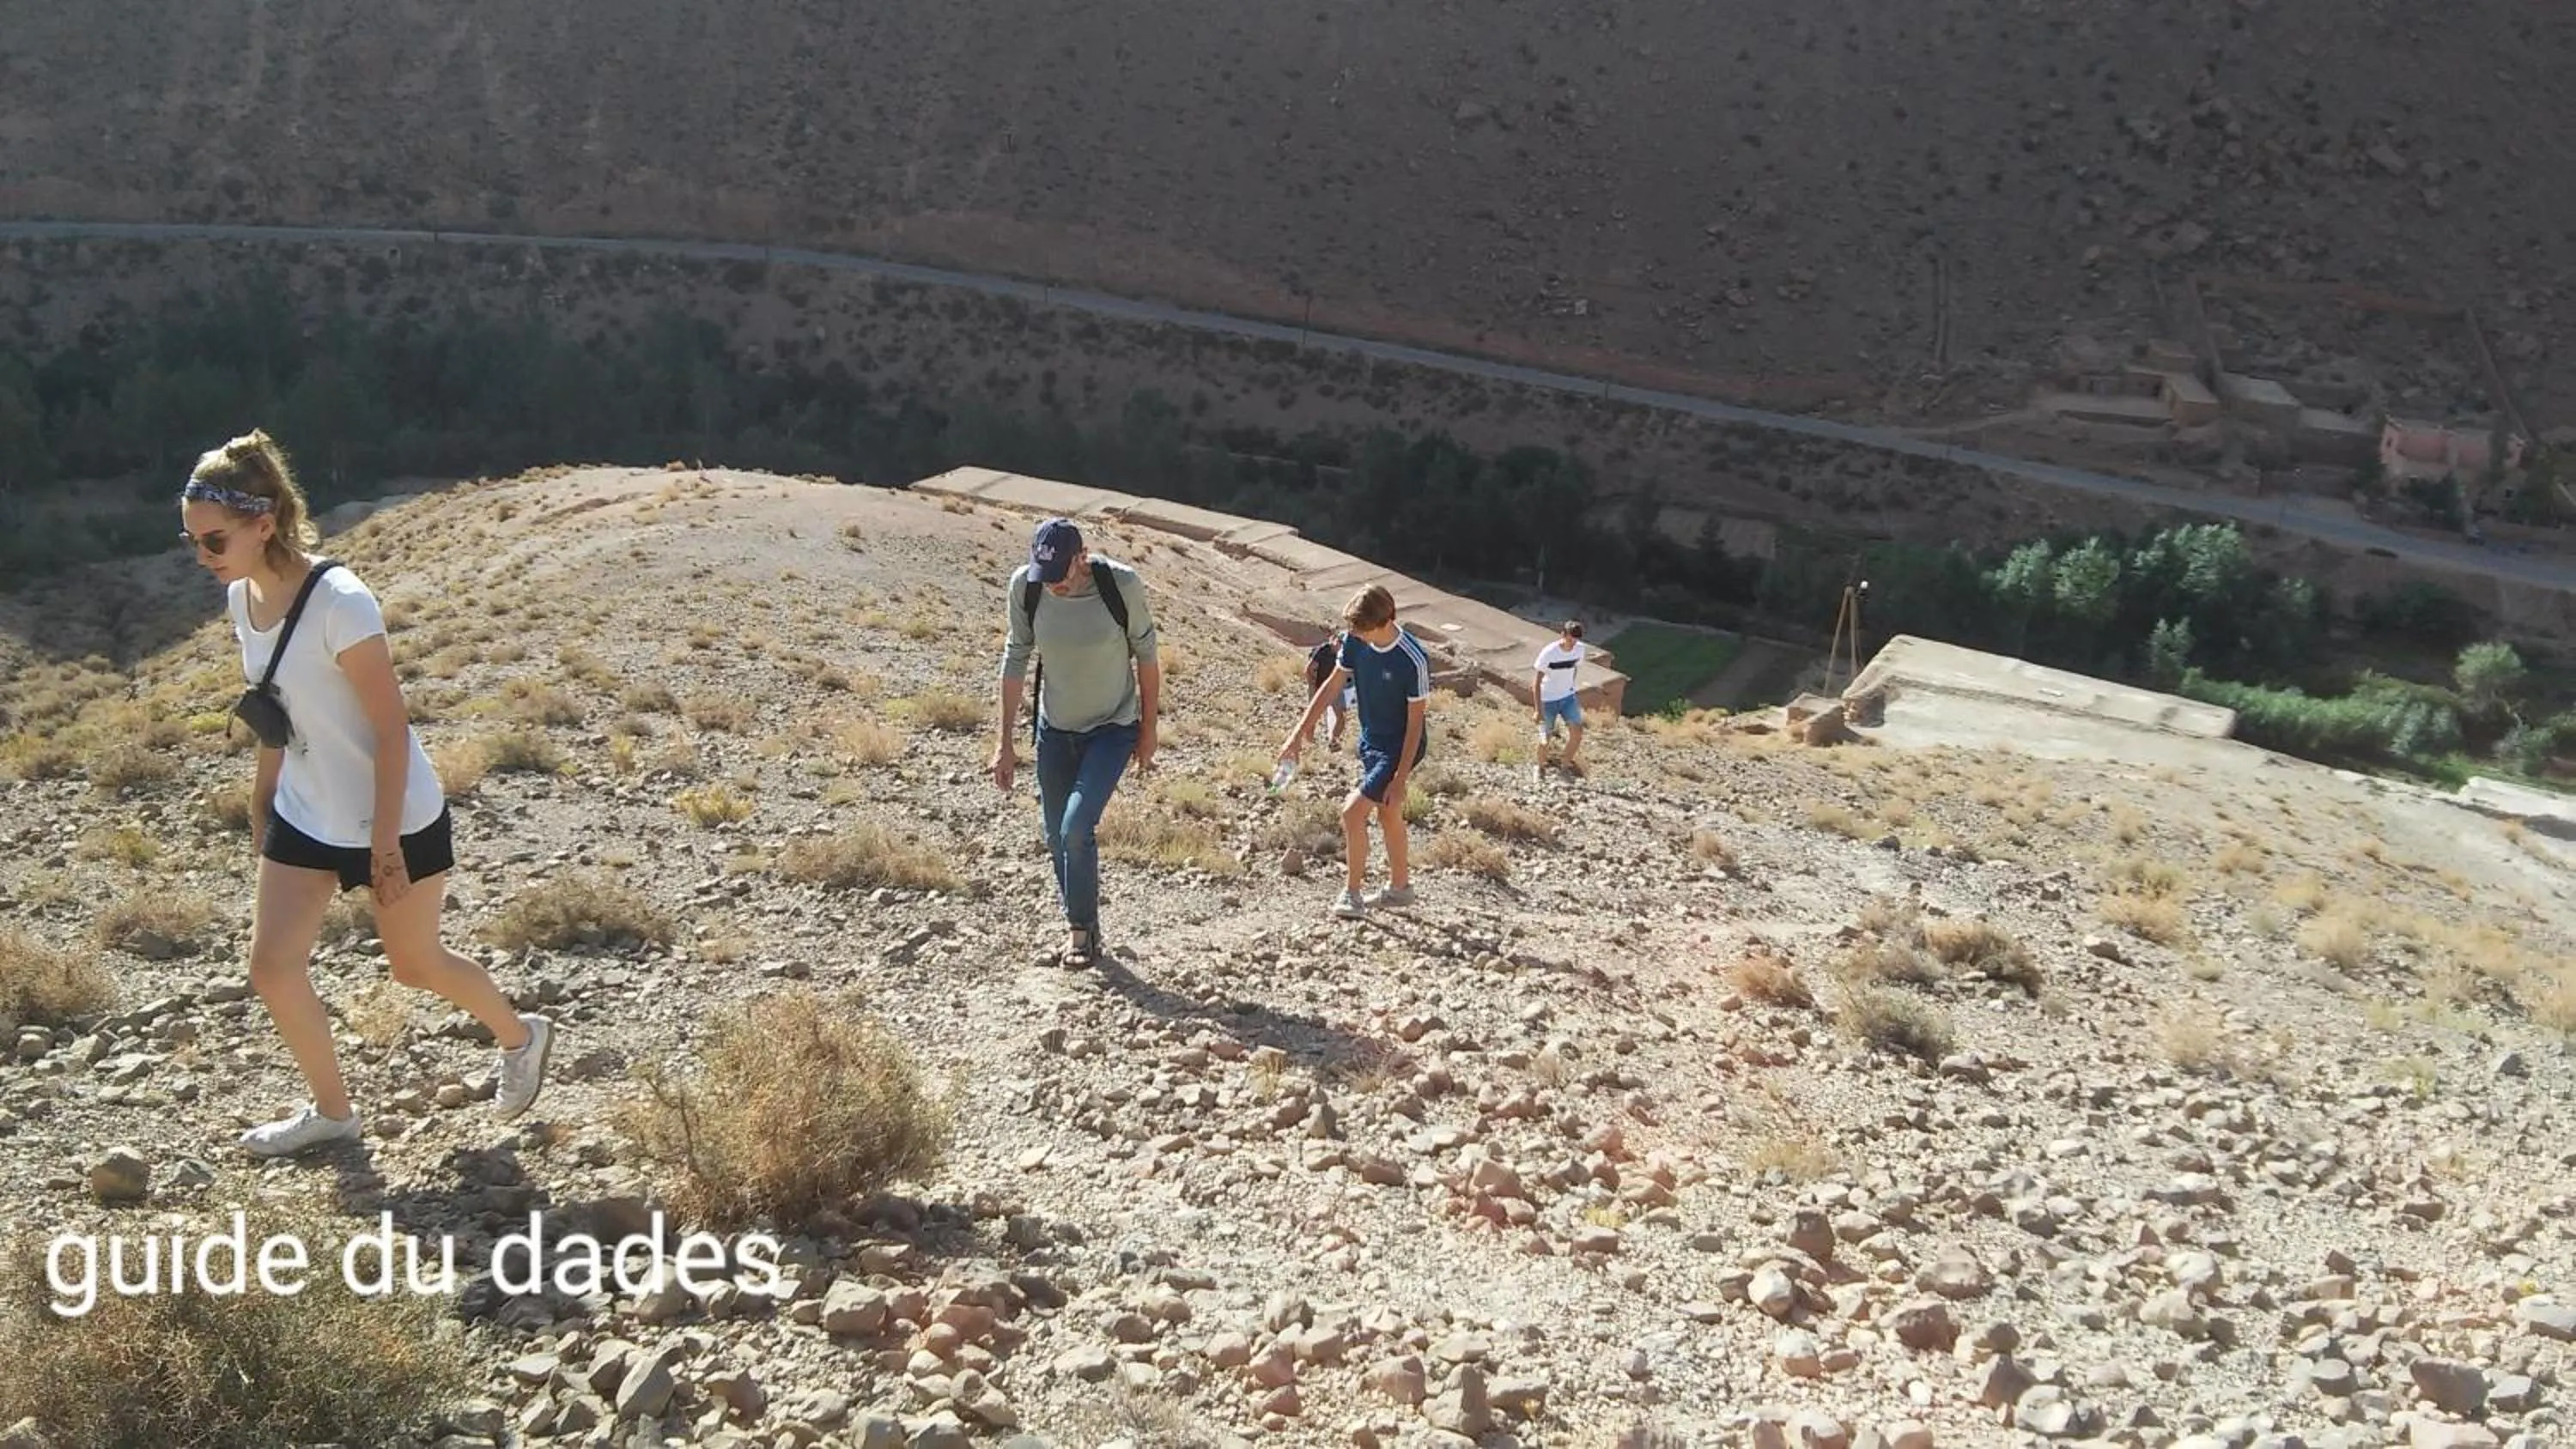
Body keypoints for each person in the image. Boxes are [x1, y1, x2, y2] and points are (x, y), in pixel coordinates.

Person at [182, 430, 553, 1158]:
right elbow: (275, 708)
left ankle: (521, 1037)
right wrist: (262, 800)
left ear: (264, 524)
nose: (203, 556)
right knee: (271, 968)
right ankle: (334, 1114)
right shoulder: (240, 601)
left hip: (394, 814)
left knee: (415, 965)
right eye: (192, 540)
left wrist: (384, 847)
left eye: (214, 540)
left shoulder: (341, 603)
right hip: (307, 809)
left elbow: (390, 729)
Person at [989, 518, 1161, 968]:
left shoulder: (1120, 585)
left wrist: (1149, 730)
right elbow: (1015, 657)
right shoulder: (1025, 588)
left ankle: (1080, 934)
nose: (1052, 586)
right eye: (1043, 574)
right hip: (1055, 729)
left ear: (1082, 558)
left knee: (1075, 828)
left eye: (1060, 575)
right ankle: (1084, 927)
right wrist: (1004, 741)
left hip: (1112, 728)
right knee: (1055, 836)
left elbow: (1147, 655)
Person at [1277, 584, 1430, 919]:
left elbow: (1416, 724)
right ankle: (1400, 888)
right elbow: (1331, 686)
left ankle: (1353, 894)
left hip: (1400, 746)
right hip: (1371, 740)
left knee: (1352, 812)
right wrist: (1296, 736)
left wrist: (1400, 779)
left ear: (1386, 620)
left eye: (1362, 629)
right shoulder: (1355, 641)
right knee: (1388, 813)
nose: (1355, 635)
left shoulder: (1413, 658)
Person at [1533, 619, 1589, 774]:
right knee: (1545, 738)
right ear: (1563, 635)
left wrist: (1570, 686)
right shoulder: (1549, 652)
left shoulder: (1580, 649)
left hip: (1567, 697)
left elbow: (1574, 667)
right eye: (1570, 640)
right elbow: (1536, 682)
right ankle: (1540, 768)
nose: (1573, 644)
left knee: (1577, 733)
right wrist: (1538, 710)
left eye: (1576, 640)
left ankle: (1564, 766)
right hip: (1547, 700)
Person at [1303, 629, 1358, 752]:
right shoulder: (1323, 650)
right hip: (1318, 686)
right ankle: (1308, 744)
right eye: (1340, 643)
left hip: (1334, 688)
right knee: (1312, 715)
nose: (1341, 646)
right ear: (1335, 640)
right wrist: (1313, 687)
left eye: (1344, 645)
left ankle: (1333, 741)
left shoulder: (1344, 656)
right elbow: (1308, 669)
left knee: (1341, 716)